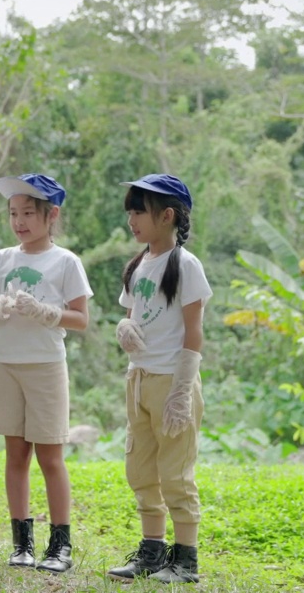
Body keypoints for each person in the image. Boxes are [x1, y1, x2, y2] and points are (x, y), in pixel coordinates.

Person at [0, 174, 92, 574]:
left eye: (28, 212)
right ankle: (21, 543)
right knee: (15, 455)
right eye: (13, 213)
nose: (19, 221)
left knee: (51, 457)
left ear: (51, 214)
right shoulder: (1, 260)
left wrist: (48, 313)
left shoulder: (65, 262)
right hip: (7, 364)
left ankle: (60, 545)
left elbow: (81, 318)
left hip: (45, 366)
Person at [105, 174, 211, 586]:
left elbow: (193, 330)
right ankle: (151, 552)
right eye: (130, 211)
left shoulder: (185, 264)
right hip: (139, 380)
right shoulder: (138, 264)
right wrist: (122, 328)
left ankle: (185, 559)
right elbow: (135, 317)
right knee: (141, 469)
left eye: (139, 212)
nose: (132, 220)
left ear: (167, 216)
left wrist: (182, 390)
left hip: (172, 383)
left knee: (175, 473)